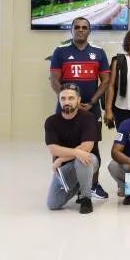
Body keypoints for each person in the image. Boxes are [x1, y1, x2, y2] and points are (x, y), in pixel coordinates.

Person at [49, 16, 110, 199]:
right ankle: (63, 184)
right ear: (72, 30)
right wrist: (68, 101)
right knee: (61, 146)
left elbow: (105, 81)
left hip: (91, 109)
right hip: (66, 109)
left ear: (89, 30)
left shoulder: (98, 52)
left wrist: (91, 102)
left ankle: (93, 185)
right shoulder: (60, 52)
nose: (81, 30)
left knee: (93, 148)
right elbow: (54, 79)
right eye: (77, 27)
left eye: (84, 27)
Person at [45, 84, 100, 214]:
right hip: (66, 167)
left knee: (82, 158)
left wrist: (61, 159)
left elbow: (87, 147)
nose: (67, 102)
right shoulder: (51, 121)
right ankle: (79, 185)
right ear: (59, 100)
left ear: (78, 100)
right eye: (63, 98)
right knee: (53, 203)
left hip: (89, 162)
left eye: (71, 98)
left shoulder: (88, 117)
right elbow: (53, 149)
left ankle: (86, 198)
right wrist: (75, 153)